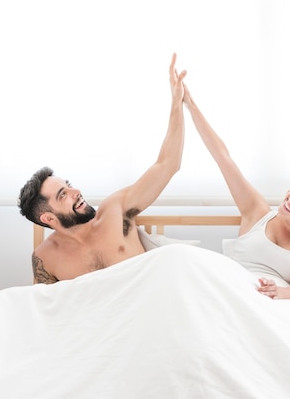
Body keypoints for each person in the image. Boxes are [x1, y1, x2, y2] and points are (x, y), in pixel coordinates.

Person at [18, 54, 187, 284]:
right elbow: (46, 313)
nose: (75, 191)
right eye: (63, 195)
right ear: (48, 217)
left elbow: (168, 164)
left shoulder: (116, 210)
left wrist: (176, 104)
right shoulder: (45, 258)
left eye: (68, 185)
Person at [183, 83, 290, 300]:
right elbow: (224, 158)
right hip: (232, 291)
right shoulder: (257, 212)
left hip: (271, 304)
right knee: (181, 257)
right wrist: (190, 104)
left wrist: (276, 291)